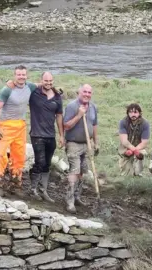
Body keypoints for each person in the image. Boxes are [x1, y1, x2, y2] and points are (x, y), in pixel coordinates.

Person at [0, 65, 37, 196]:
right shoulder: (7, 90)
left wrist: (54, 90)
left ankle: (15, 183)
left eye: (23, 75)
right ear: (14, 75)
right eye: (19, 75)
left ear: (26, 76)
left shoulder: (30, 86)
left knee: (19, 155)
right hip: (5, 125)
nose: (21, 77)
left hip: (20, 126)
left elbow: (41, 85)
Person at [28, 72, 64, 203]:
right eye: (45, 80)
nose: (48, 83)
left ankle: (43, 190)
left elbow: (59, 116)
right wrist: (37, 84)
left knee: (47, 164)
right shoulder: (34, 92)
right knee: (40, 162)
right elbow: (22, 83)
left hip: (50, 135)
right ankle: (32, 190)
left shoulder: (57, 97)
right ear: (41, 80)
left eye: (50, 81)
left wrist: (61, 135)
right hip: (37, 134)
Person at [63, 84, 99, 213]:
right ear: (79, 92)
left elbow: (94, 125)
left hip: (86, 144)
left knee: (82, 171)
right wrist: (79, 115)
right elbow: (66, 126)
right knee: (74, 170)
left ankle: (77, 196)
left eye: (89, 92)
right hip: (73, 143)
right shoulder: (72, 106)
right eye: (85, 91)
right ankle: (70, 201)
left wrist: (96, 142)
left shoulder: (93, 107)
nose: (87, 94)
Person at [118, 103, 150, 177]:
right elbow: (124, 141)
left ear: (139, 113)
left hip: (139, 147)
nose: (133, 114)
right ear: (128, 113)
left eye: (135, 112)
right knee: (126, 175)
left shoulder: (145, 123)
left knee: (140, 155)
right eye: (131, 112)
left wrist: (135, 150)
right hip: (126, 148)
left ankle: (138, 172)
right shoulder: (123, 122)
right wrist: (131, 150)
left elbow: (144, 142)